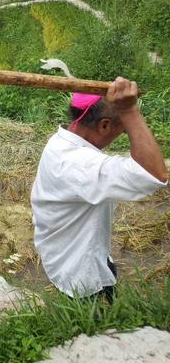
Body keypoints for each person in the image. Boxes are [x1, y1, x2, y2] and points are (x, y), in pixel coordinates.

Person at [31, 77, 167, 302]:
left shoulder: (62, 141)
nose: (120, 135)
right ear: (104, 125)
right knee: (93, 325)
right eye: (122, 130)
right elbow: (154, 174)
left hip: (65, 254)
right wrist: (130, 110)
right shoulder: (78, 165)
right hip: (81, 276)